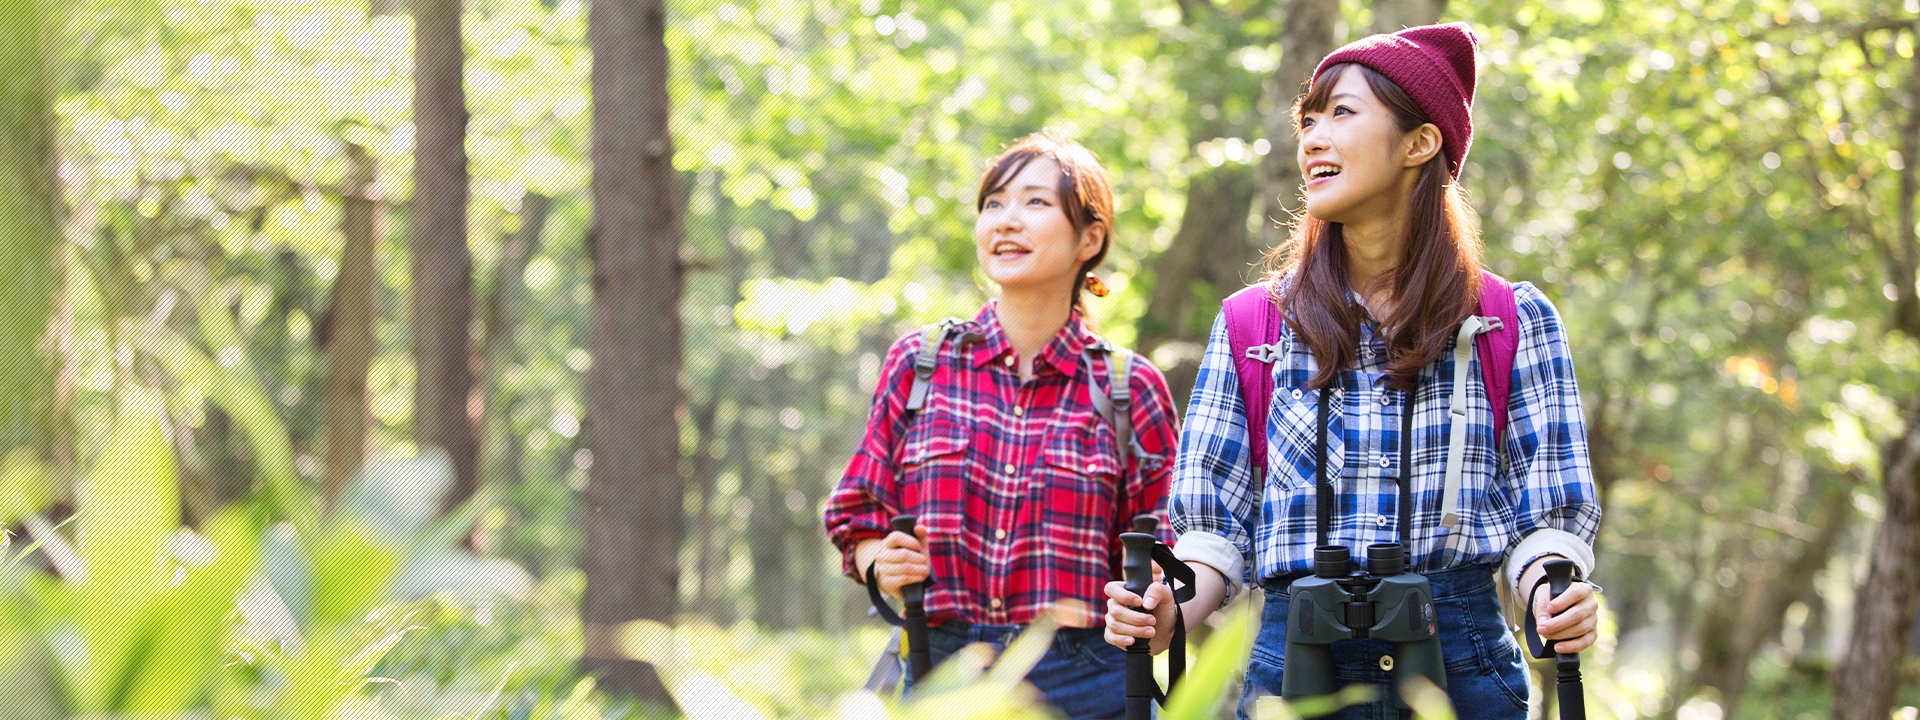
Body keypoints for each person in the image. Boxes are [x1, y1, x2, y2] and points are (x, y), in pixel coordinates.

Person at [1101, 23, 1603, 719]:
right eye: (1307, 119)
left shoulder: (1510, 318)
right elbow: (1214, 528)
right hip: (1292, 662)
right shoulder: (1253, 323)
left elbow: (1546, 516)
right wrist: (1168, 612)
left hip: (1459, 661)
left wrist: (1555, 590)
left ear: (1421, 143)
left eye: (1341, 113)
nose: (1311, 138)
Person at [824, 132, 1179, 720]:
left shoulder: (1129, 386)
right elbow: (856, 513)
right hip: (942, 669)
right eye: (993, 204)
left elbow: (1164, 546)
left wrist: (1156, 610)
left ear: (1090, 238)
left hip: (1091, 683)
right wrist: (877, 563)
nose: (1006, 221)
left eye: (1035, 203)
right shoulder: (920, 364)